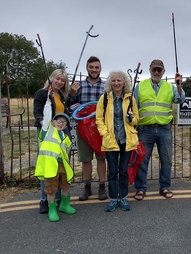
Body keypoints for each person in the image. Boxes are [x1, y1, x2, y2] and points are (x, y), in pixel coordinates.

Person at [133, 59, 184, 201]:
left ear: (163, 72)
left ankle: (165, 187)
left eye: (159, 70)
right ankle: (140, 188)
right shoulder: (140, 86)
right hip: (145, 129)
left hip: (164, 129)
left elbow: (180, 100)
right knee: (142, 160)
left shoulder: (170, 87)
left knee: (166, 159)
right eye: (154, 69)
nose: (156, 72)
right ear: (150, 70)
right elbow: (134, 106)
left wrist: (179, 85)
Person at [96, 70, 139, 212]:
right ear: (110, 82)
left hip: (126, 140)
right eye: (113, 81)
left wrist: (131, 118)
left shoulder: (130, 99)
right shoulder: (105, 98)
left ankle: (124, 198)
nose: (116, 83)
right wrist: (105, 134)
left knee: (124, 171)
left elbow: (136, 120)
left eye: (119, 81)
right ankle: (113, 199)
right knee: (113, 171)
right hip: (111, 140)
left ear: (124, 83)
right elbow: (99, 119)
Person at [68, 56, 107, 201]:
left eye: (97, 67)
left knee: (102, 158)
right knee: (86, 159)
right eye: (91, 67)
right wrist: (72, 95)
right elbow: (71, 105)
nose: (94, 70)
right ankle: (87, 187)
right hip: (83, 128)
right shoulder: (78, 86)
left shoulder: (106, 86)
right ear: (87, 68)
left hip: (100, 128)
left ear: (100, 69)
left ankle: (102, 186)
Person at [34, 88, 76, 222]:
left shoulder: (65, 137)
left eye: (64, 122)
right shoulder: (47, 131)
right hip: (50, 167)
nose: (61, 123)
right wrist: (47, 101)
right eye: (58, 121)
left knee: (65, 185)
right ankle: (52, 209)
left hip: (62, 165)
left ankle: (64, 204)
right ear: (53, 122)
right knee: (51, 188)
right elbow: (46, 116)